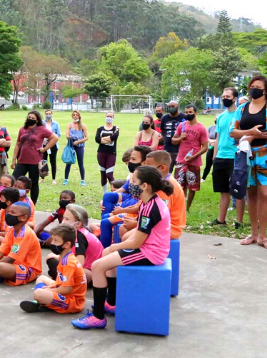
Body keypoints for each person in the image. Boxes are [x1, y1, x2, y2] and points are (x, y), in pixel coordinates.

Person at [72, 165, 172, 329]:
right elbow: (139, 233)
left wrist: (116, 245)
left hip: (150, 253)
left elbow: (136, 243)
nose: (129, 184)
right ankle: (111, 303)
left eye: (133, 181)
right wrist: (114, 247)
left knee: (97, 266)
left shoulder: (151, 208)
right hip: (148, 248)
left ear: (144, 185)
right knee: (106, 255)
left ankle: (98, 317)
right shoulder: (148, 202)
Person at [230, 75, 267, 251]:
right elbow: (233, 132)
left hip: (266, 156)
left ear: (265, 91)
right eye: (252, 86)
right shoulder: (242, 108)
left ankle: (264, 235)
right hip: (247, 156)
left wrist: (254, 135)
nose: (253, 89)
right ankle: (253, 234)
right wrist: (249, 132)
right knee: (252, 194)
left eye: (257, 87)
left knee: (265, 194)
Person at [21, 224, 88, 314]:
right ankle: (44, 301)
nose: (52, 243)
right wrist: (51, 287)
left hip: (73, 302)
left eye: (56, 241)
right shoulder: (65, 257)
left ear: (67, 244)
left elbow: (67, 290)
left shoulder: (68, 263)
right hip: (65, 290)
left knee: (38, 293)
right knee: (41, 278)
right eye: (52, 239)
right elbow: (61, 283)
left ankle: (42, 301)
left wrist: (50, 290)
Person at [0, 203, 43, 286]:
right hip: (14, 262)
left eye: (12, 213)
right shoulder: (12, 230)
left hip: (28, 268)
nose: (8, 215)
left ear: (23, 217)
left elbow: (10, 259)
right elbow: (1, 251)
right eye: (8, 212)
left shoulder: (25, 234)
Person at [210, 87, 246, 229]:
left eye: (228, 96)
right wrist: (215, 156)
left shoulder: (241, 116)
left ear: (235, 98)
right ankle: (221, 220)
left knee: (237, 190)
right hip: (220, 157)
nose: (225, 98)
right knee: (223, 190)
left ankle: (239, 221)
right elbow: (218, 137)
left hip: (235, 156)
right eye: (223, 95)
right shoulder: (221, 117)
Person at [11, 110, 58, 204]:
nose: (30, 119)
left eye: (33, 118)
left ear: (37, 120)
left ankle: (32, 205)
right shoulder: (22, 129)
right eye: (29, 117)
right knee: (14, 180)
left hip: (34, 161)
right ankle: (15, 202)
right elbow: (18, 144)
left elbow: (55, 137)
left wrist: (44, 149)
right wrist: (13, 160)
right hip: (22, 160)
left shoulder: (41, 129)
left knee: (33, 184)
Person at [171, 104, 209, 211]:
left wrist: (194, 156)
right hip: (181, 159)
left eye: (190, 112)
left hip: (194, 161)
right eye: (186, 112)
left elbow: (205, 147)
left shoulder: (201, 128)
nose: (188, 114)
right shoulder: (181, 126)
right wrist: (180, 138)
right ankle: (181, 206)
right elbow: (173, 141)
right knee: (179, 185)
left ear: (196, 113)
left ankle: (187, 207)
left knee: (192, 186)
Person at [62, 110, 88, 187]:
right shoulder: (69, 125)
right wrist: (71, 138)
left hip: (80, 146)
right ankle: (66, 179)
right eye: (74, 115)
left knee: (81, 163)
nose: (75, 116)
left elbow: (86, 137)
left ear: (79, 116)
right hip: (71, 145)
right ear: (72, 116)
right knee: (68, 162)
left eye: (77, 115)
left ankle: (82, 180)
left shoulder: (83, 126)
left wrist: (78, 141)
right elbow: (66, 135)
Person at [95, 111, 120, 188]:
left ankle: (116, 191)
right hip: (101, 153)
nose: (109, 118)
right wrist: (108, 139)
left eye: (111, 116)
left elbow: (114, 137)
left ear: (113, 118)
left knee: (109, 174)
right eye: (108, 116)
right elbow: (97, 139)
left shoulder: (116, 128)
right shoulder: (100, 128)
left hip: (111, 153)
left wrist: (103, 139)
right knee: (103, 174)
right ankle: (105, 193)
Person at [43, 109, 62, 184]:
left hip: (53, 145)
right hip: (44, 144)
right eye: (47, 114)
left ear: (52, 114)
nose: (48, 115)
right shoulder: (42, 123)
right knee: (43, 161)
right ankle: (43, 177)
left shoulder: (56, 123)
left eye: (49, 113)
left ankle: (53, 178)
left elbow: (59, 134)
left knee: (52, 161)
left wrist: (52, 138)